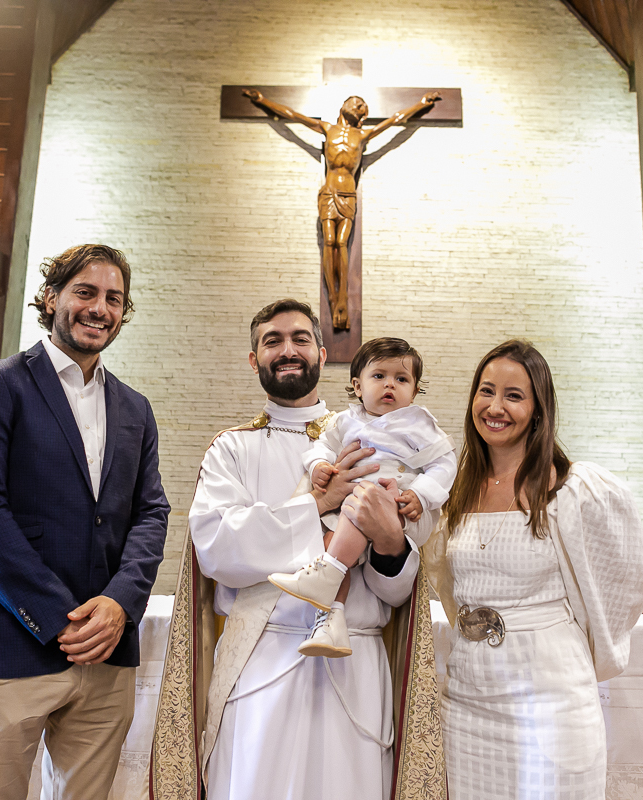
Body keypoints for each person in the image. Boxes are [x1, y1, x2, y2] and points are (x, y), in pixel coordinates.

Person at [149, 299, 446, 800]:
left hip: (355, 662)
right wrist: (318, 504)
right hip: (260, 662)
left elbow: (399, 592)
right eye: (273, 341)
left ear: (322, 354)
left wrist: (390, 542)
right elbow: (219, 549)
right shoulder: (232, 448)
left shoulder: (377, 439)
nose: (288, 350)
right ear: (254, 360)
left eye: (300, 339)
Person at [0, 243, 170, 800]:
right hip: (12, 641)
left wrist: (119, 603)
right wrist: (53, 616)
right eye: (85, 292)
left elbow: (151, 513)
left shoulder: (135, 407)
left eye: (114, 299)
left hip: (107, 648)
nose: (100, 309)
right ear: (50, 298)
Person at [424, 339, 643, 799]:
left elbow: (629, 580)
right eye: (486, 391)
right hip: (468, 698)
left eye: (514, 396)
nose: (495, 407)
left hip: (551, 694)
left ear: (537, 410)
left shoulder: (572, 488)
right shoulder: (454, 488)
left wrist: (571, 638)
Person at [269, 337, 456, 658]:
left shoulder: (418, 422)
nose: (390, 385)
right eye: (379, 376)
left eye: (402, 379)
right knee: (330, 544)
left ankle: (325, 580)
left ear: (414, 391)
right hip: (352, 504)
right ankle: (332, 619)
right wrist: (319, 466)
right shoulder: (346, 420)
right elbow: (322, 446)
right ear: (357, 386)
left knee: (347, 531)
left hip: (398, 506)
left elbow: (445, 462)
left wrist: (420, 495)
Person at [242, 90, 440, 329]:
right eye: (356, 103)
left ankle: (342, 298)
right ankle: (333, 298)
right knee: (328, 241)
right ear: (343, 105)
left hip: (348, 193)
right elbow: (292, 115)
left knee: (341, 243)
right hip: (328, 192)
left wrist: (421, 104)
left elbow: (396, 120)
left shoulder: (363, 135)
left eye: (362, 106)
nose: (358, 106)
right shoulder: (327, 129)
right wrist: (262, 101)